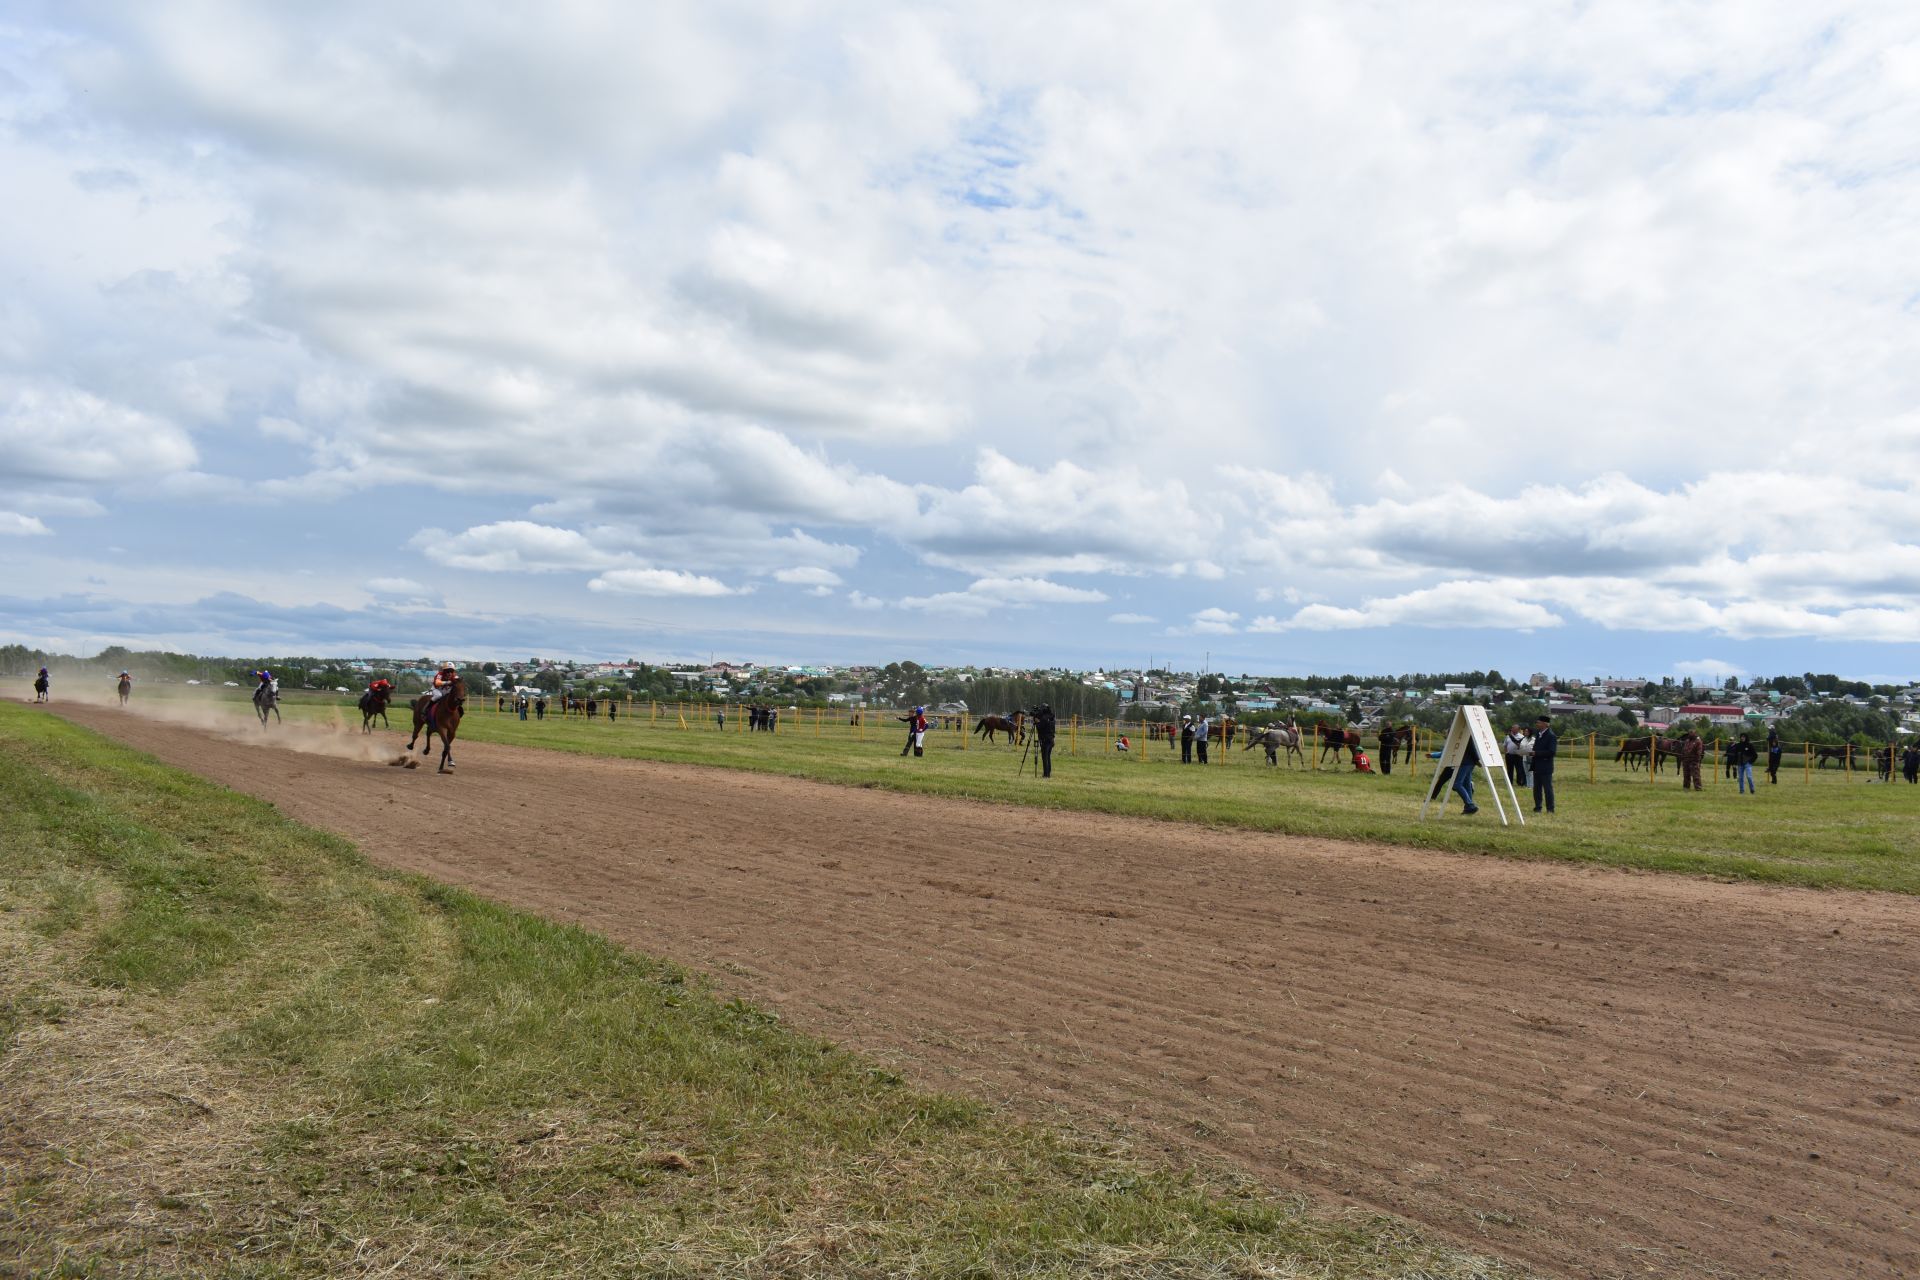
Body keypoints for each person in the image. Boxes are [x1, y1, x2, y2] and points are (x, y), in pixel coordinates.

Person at [1531, 715, 1557, 814]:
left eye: (1539, 722)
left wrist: (1536, 753)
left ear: (1545, 724)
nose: (1537, 724)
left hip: (1546, 766)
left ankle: (1550, 809)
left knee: (1547, 789)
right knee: (1536, 789)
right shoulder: (1538, 734)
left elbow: (1552, 752)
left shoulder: (1551, 736)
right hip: (1537, 765)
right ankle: (1538, 807)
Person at [1451, 736, 1480, 814]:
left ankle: (1470, 805)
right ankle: (1468, 808)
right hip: (1468, 762)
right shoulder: (1468, 734)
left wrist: (1477, 760)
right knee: (1467, 785)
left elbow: (1472, 748)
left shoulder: (1466, 735)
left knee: (1457, 784)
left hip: (1465, 762)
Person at [1031, 703, 1057, 778]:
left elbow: (1040, 727)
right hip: (1051, 739)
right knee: (1048, 756)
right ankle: (1048, 772)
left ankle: (1046, 775)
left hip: (1045, 739)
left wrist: (1036, 721)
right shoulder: (1051, 717)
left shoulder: (1044, 718)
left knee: (1044, 757)